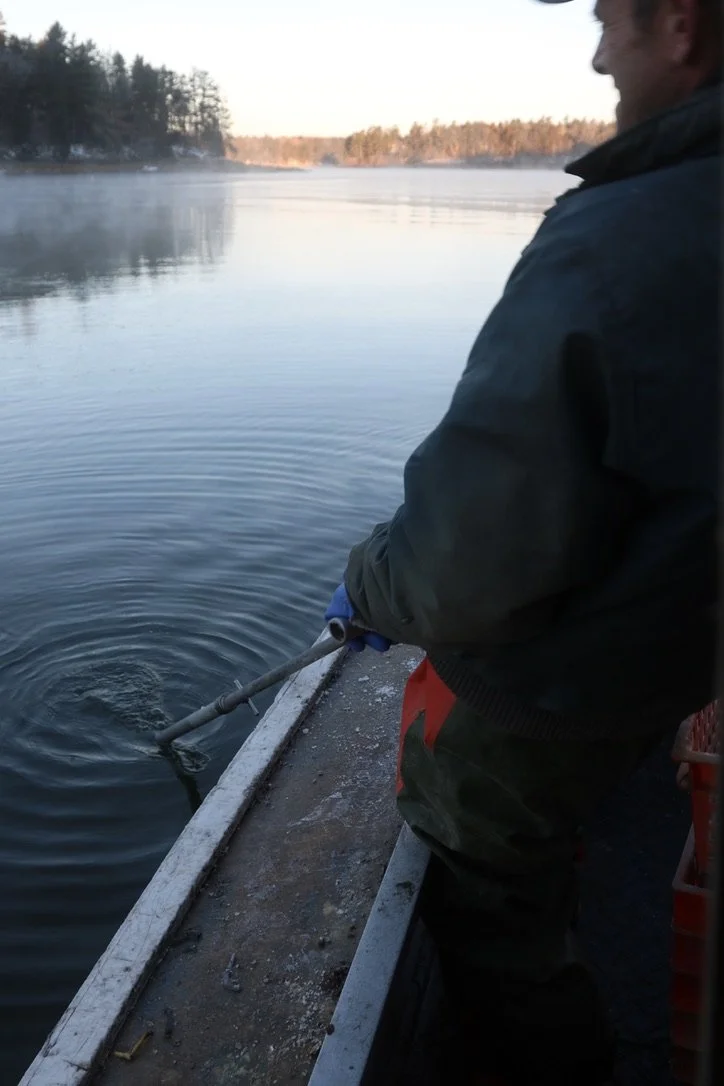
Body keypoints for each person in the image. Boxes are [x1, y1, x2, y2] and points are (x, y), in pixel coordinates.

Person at [325, 1, 721, 1083]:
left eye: (607, 23)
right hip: (676, 649)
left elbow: (468, 568)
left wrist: (368, 582)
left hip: (560, 690)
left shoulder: (617, 237)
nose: (597, 55)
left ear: (678, 25)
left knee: (485, 887)